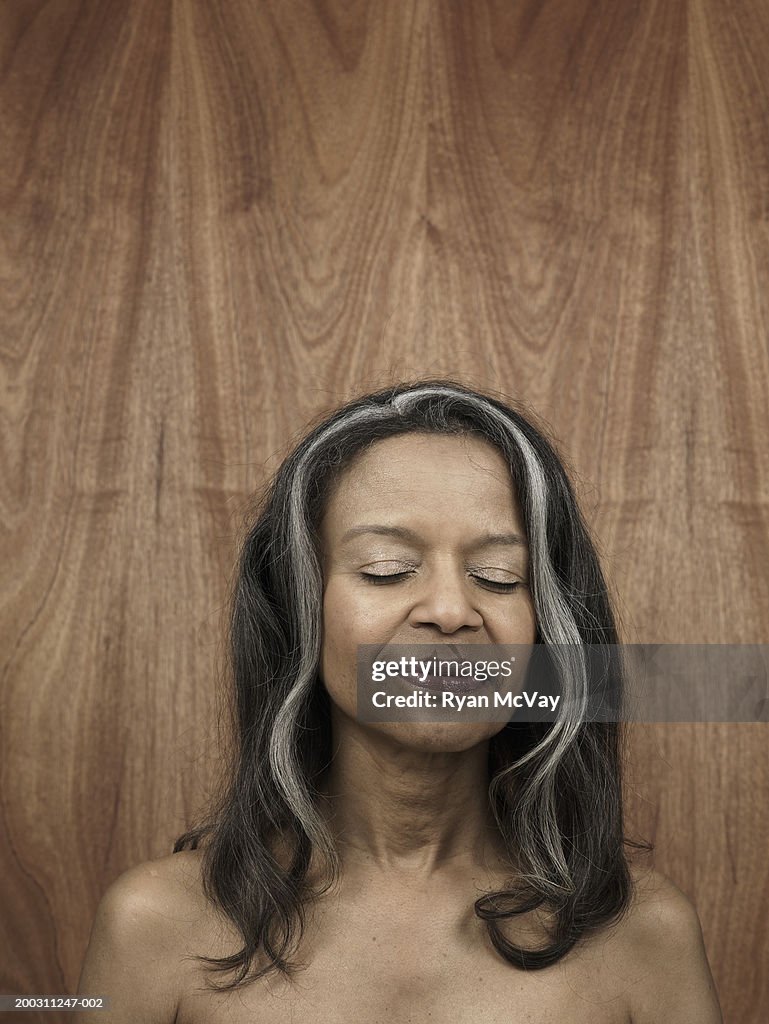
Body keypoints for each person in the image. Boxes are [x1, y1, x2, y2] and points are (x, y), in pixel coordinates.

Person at [74, 379, 723, 1023]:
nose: (448, 610)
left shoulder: (644, 935)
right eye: (386, 568)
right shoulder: (154, 926)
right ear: (301, 614)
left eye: (498, 576)